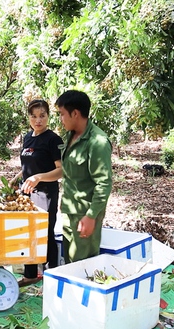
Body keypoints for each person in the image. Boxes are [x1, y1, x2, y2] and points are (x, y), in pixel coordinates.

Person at [9, 99, 63, 287]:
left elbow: (60, 170)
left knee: (45, 232)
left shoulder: (53, 140)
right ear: (28, 117)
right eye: (33, 116)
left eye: (42, 116)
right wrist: (16, 178)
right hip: (27, 192)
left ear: (48, 116)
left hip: (45, 192)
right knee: (28, 232)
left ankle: (52, 275)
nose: (38, 120)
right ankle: (30, 274)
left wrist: (39, 178)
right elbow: (28, 165)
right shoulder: (28, 138)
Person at [55, 90, 112, 263]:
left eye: (62, 114)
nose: (60, 119)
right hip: (69, 211)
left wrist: (91, 216)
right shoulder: (72, 136)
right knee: (70, 262)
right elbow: (68, 171)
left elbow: (104, 183)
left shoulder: (97, 142)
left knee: (83, 265)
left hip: (84, 213)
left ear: (75, 114)